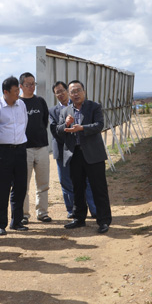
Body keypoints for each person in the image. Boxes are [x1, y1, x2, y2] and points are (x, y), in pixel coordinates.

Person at [56, 80, 112, 234]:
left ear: (84, 92)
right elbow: (58, 130)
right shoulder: (65, 111)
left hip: (93, 154)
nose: (75, 94)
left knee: (98, 188)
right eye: (72, 91)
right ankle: (79, 218)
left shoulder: (94, 106)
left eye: (78, 90)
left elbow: (99, 125)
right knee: (77, 188)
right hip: (74, 154)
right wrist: (66, 125)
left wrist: (82, 128)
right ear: (69, 94)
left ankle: (104, 220)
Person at [0, 76, 28, 236]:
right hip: (3, 152)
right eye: (16, 90)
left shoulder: (21, 104)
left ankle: (17, 221)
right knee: (2, 188)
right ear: (5, 92)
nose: (18, 93)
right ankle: (0, 224)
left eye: (18, 90)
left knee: (20, 187)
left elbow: (25, 124)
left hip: (20, 150)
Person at [49, 81, 97, 219]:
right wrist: (66, 125)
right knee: (66, 182)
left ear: (67, 92)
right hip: (61, 149)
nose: (61, 94)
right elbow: (55, 131)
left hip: (79, 150)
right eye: (57, 92)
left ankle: (94, 209)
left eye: (63, 90)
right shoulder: (53, 111)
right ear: (55, 95)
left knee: (85, 180)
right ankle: (72, 211)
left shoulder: (78, 106)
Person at [18, 72, 51, 224]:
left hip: (42, 147)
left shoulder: (40, 101)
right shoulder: (18, 103)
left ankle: (42, 212)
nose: (31, 87)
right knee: (23, 184)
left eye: (33, 84)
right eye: (28, 84)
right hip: (25, 150)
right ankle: (24, 214)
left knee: (43, 183)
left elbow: (45, 122)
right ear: (21, 86)